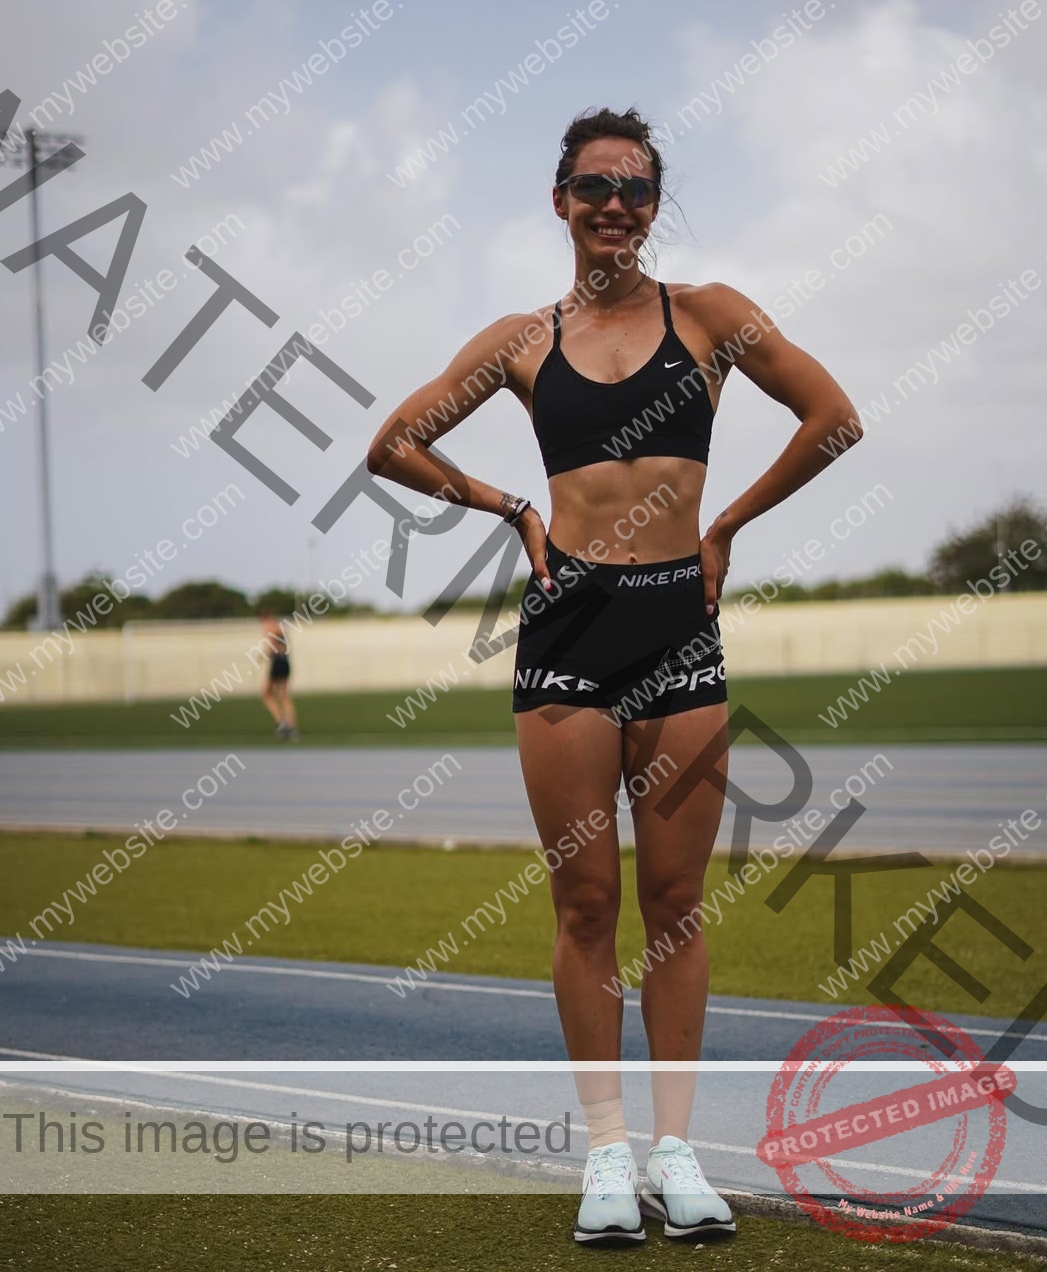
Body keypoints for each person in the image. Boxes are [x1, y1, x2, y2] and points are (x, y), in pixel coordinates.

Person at [366, 107, 861, 1244]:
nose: (616, 206)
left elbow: (834, 418)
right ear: (561, 201)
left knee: (677, 906)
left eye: (637, 189)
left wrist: (727, 525)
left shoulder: (713, 316)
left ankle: (677, 1154)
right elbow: (392, 444)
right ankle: (605, 1157)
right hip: (568, 633)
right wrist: (509, 508)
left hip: (678, 628)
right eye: (595, 186)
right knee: (585, 904)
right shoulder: (520, 340)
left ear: (654, 206)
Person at [258, 609, 298, 740]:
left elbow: (271, 645)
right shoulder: (281, 627)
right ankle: (291, 726)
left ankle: (282, 723)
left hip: (277, 661)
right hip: (285, 661)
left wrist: (264, 656)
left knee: (266, 694)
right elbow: (286, 647)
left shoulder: (269, 626)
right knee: (284, 695)